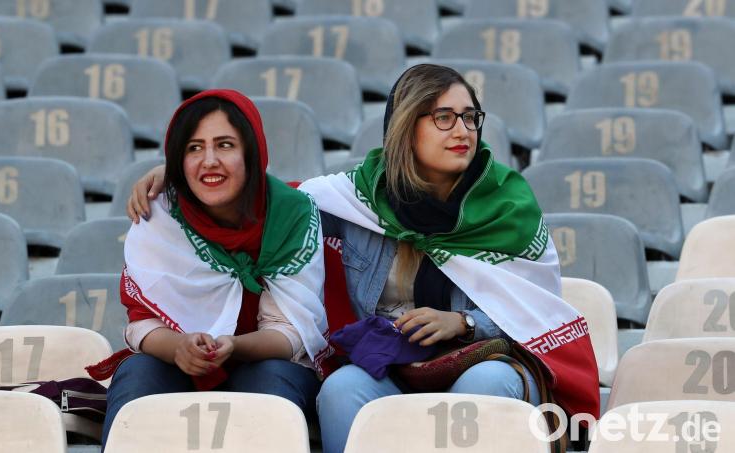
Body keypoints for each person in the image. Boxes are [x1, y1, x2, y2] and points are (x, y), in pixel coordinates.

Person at [127, 65, 600, 453]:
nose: (462, 130)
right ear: (405, 126)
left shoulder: (508, 207)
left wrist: (463, 324)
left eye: (470, 117)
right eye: (443, 118)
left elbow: (533, 311)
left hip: (487, 361)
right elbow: (269, 205)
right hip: (391, 366)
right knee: (341, 389)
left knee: (486, 382)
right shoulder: (356, 199)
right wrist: (181, 174)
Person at [98, 89, 332, 447]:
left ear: (252, 154)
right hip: (179, 360)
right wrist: (178, 347)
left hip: (265, 359)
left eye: (224, 145)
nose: (208, 160)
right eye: (193, 148)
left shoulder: (291, 214)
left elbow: (290, 334)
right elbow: (140, 324)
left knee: (270, 379)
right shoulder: (160, 211)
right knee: (139, 372)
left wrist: (232, 346)